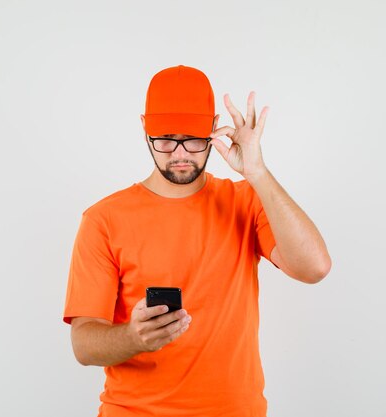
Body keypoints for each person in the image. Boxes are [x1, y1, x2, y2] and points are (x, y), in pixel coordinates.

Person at [62, 64, 332, 417]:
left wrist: (258, 172)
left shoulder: (246, 201)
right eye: (165, 139)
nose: (179, 154)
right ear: (145, 128)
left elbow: (315, 267)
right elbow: (83, 344)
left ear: (212, 127)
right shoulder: (103, 219)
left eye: (192, 138)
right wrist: (133, 337)